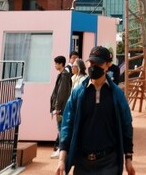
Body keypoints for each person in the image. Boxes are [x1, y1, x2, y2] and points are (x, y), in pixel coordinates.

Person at [55, 45, 135, 175]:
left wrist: (128, 158)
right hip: (82, 163)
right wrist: (62, 159)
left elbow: (127, 126)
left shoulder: (117, 95)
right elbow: (67, 125)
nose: (93, 66)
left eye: (98, 63)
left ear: (108, 65)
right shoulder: (78, 93)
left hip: (109, 163)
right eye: (91, 62)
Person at [50, 55, 73, 158]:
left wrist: (57, 107)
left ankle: (61, 149)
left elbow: (61, 94)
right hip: (62, 107)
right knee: (61, 128)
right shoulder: (64, 75)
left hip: (61, 108)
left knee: (61, 128)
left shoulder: (64, 76)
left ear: (61, 64)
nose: (55, 65)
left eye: (56, 63)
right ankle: (60, 148)